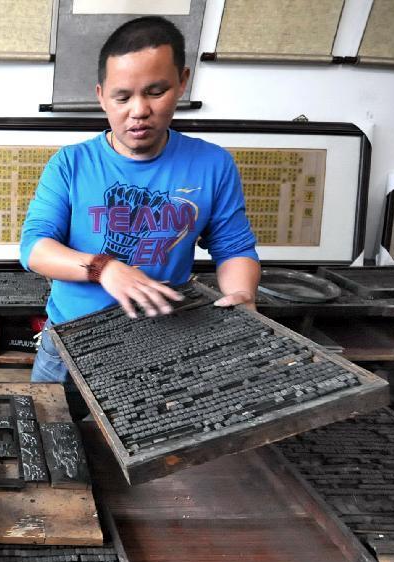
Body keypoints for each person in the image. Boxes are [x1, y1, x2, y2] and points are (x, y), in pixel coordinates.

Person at [20, 16, 260, 384]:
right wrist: (104, 268)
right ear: (101, 96)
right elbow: (34, 248)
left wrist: (242, 294)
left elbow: (234, 248)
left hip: (162, 341)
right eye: (122, 96)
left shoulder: (213, 165)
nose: (138, 110)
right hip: (69, 343)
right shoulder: (71, 163)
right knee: (45, 433)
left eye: (155, 91)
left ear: (182, 82)